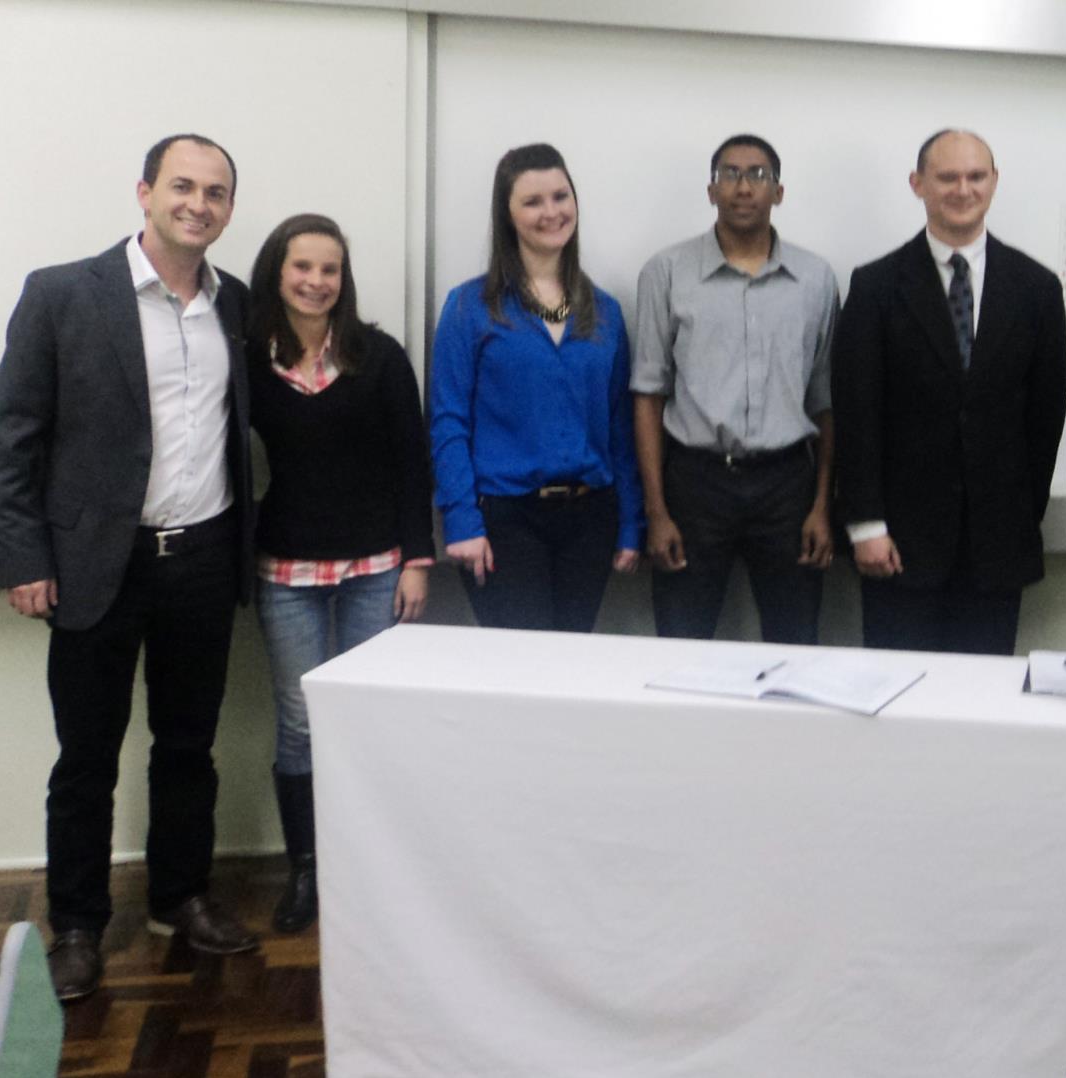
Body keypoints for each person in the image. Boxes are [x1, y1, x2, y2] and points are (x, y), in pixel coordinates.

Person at [0, 134, 258, 1002]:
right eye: (182, 186)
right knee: (86, 757)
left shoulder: (237, 305)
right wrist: (24, 555)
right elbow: (11, 436)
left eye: (216, 192)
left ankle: (181, 896)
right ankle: (77, 927)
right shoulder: (64, 294)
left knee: (188, 748)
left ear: (227, 208)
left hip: (203, 559)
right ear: (144, 192)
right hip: (99, 566)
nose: (198, 204)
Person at [246, 213, 434, 932]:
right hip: (285, 567)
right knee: (299, 725)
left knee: (363, 718)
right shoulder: (247, 360)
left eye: (330, 270)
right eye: (303, 267)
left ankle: (368, 869)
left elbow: (412, 462)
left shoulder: (379, 355)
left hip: (375, 566)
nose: (317, 282)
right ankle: (307, 873)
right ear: (278, 272)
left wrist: (418, 561)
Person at [832, 129, 1066, 655]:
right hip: (897, 545)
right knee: (898, 701)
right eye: (947, 177)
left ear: (994, 183)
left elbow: (1045, 419)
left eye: (976, 176)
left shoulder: (1037, 288)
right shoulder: (875, 287)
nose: (962, 189)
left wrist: (1019, 520)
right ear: (918, 184)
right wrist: (866, 523)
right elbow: (857, 415)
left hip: (996, 547)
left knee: (982, 705)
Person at [632, 134, 839, 644]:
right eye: (730, 174)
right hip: (696, 484)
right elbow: (648, 395)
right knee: (682, 643)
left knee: (796, 644)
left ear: (779, 191)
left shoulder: (815, 279)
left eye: (758, 175)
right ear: (711, 190)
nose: (743, 187)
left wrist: (822, 506)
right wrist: (656, 513)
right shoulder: (667, 272)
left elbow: (828, 401)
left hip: (788, 485)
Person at [431, 143, 642, 631]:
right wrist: (461, 520)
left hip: (590, 519)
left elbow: (619, 427)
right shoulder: (470, 307)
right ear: (507, 216)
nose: (551, 212)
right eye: (532, 202)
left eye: (560, 196)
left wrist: (631, 523)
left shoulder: (605, 310)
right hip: (505, 519)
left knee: (568, 669)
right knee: (520, 673)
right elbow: (447, 421)